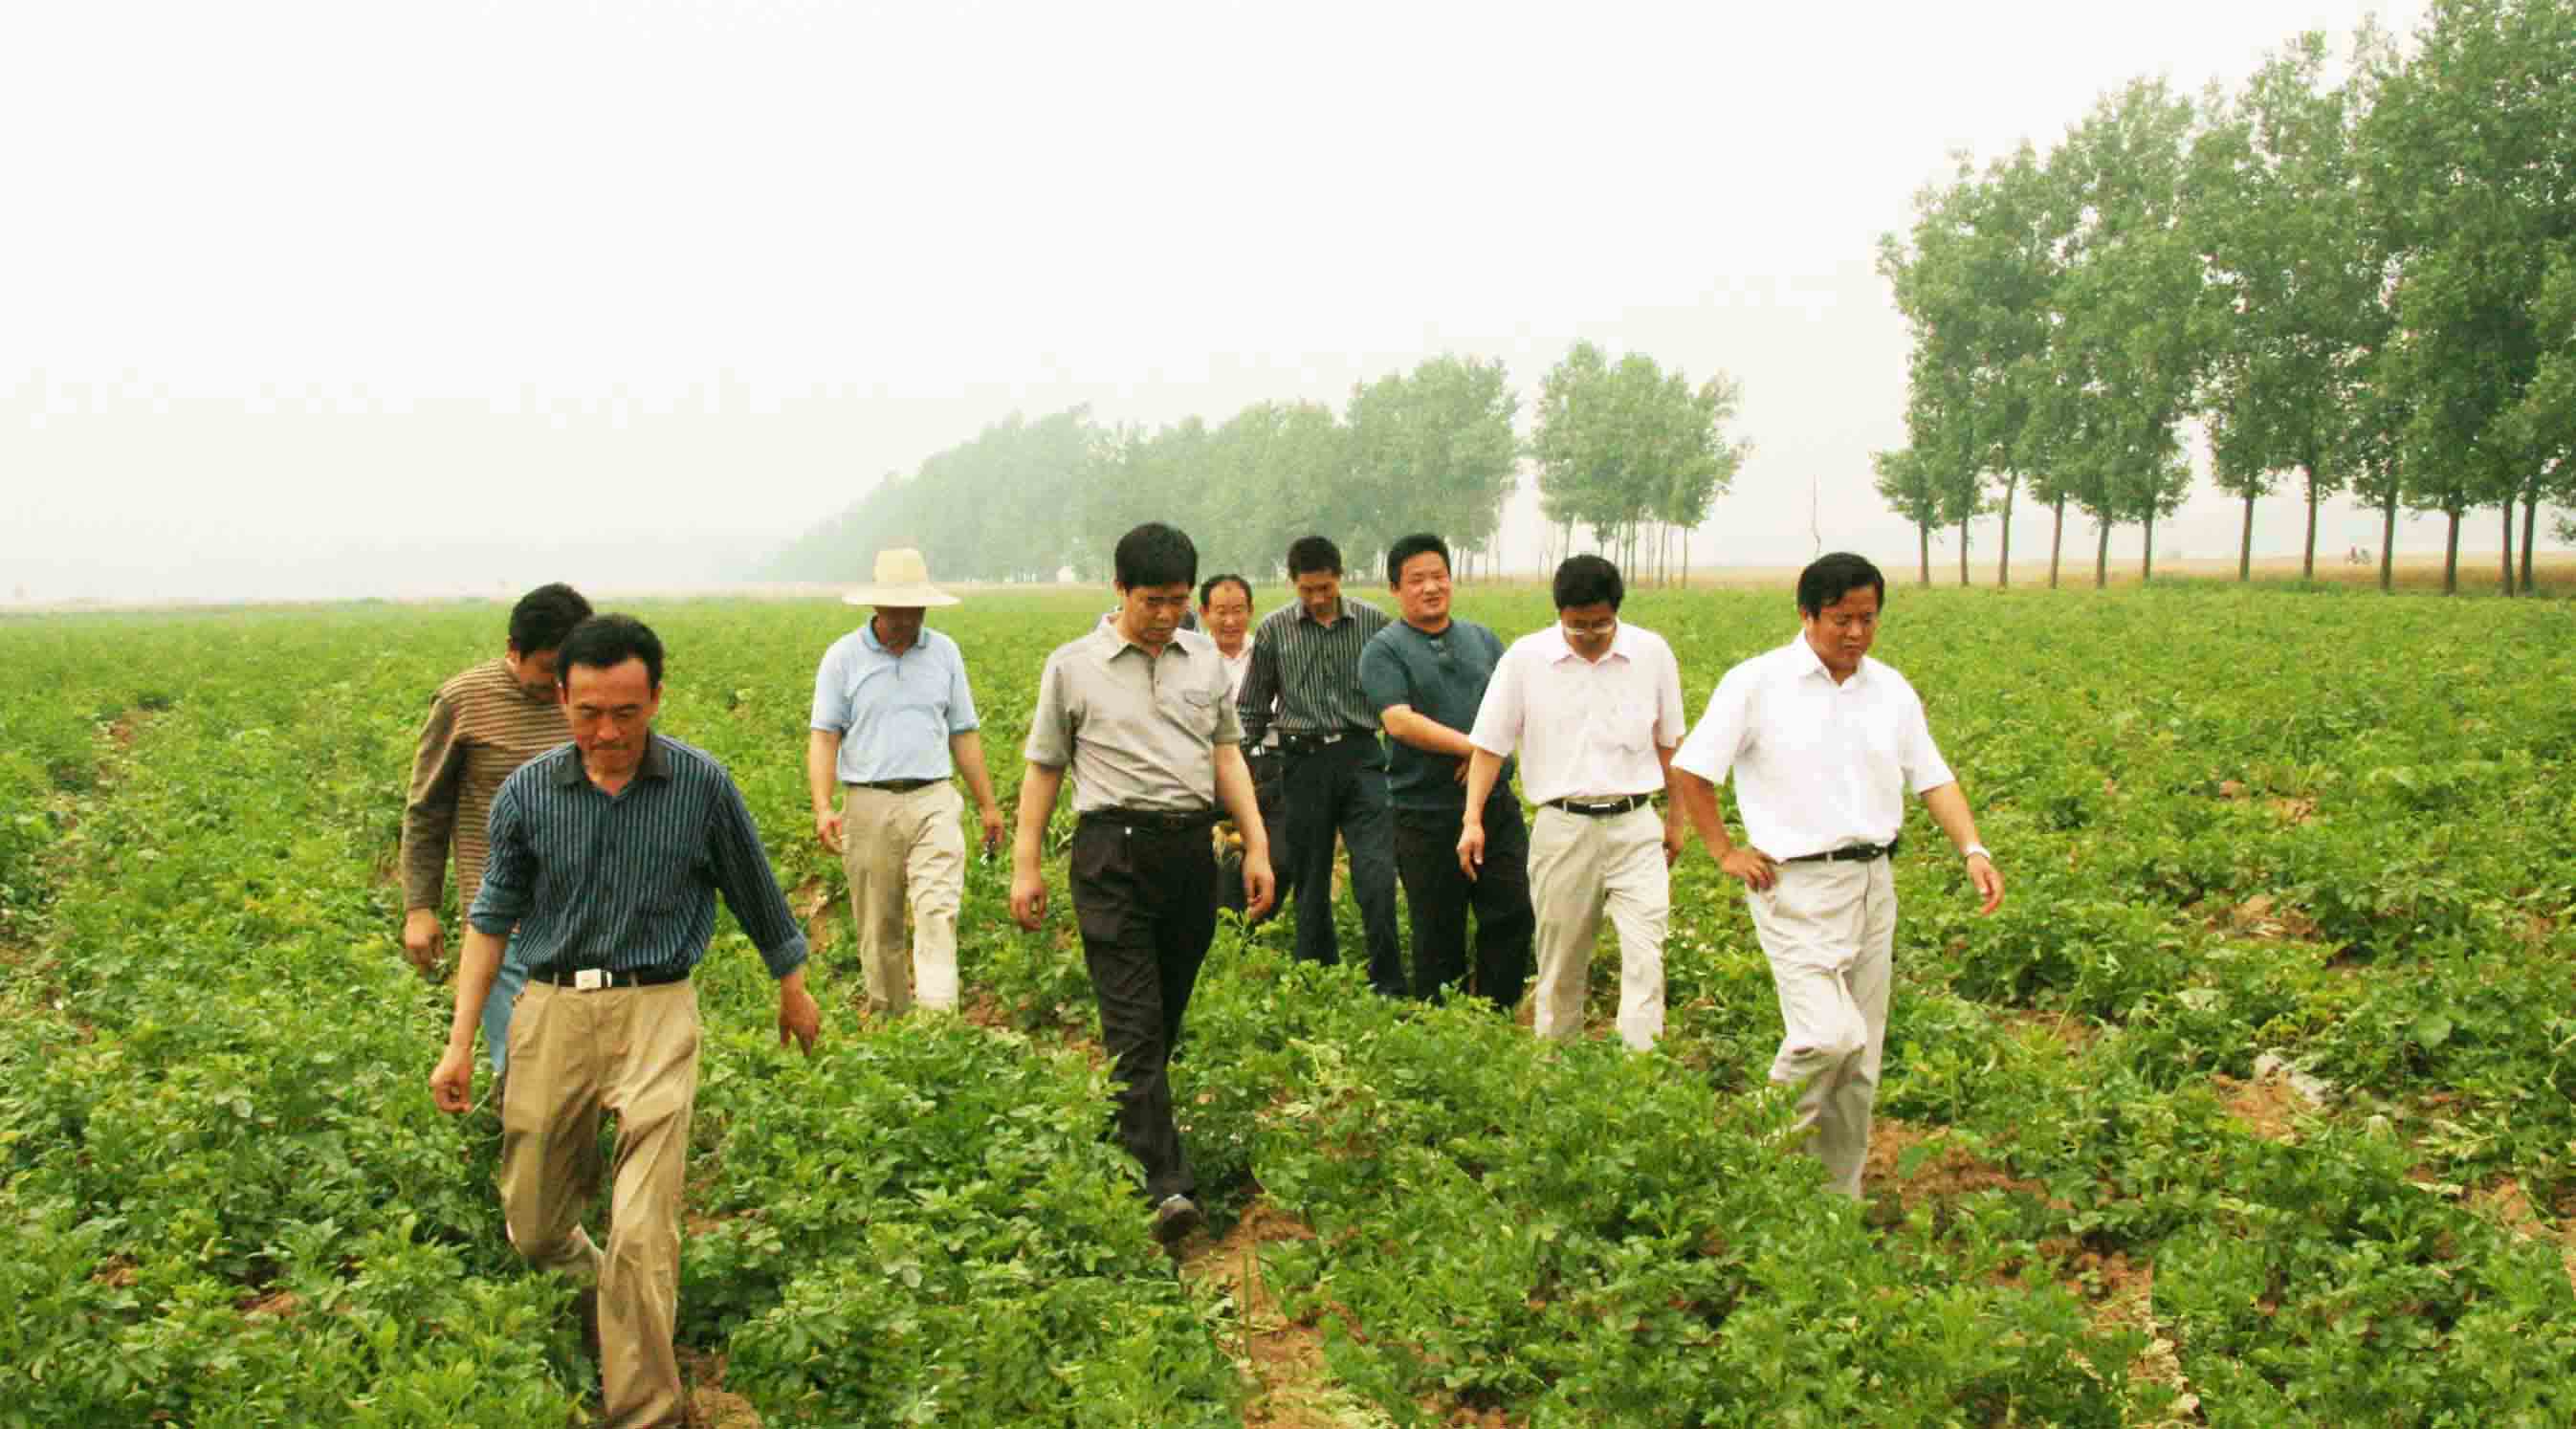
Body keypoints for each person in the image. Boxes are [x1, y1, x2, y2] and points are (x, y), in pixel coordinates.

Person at [429, 613, 820, 1429]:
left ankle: (645, 1408)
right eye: (588, 713)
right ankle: (613, 1309)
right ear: (561, 700)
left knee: (643, 1228)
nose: (607, 733)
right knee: (535, 1226)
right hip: (552, 1010)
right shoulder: (528, 792)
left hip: (656, 1008)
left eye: (626, 713)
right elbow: (489, 921)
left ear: (657, 699)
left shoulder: (700, 786)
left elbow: (754, 888)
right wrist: (459, 1043)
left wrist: (793, 984)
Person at [1672, 552, 2003, 1200]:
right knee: (1829, 1036)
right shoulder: (1757, 683)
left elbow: (1932, 778)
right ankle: (1747, 1160)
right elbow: (1692, 769)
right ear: (1806, 615)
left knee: (1860, 1062)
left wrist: (1973, 848)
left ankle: (1834, 1206)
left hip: (1873, 880)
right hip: (1795, 886)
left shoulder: (1890, 690)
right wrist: (1723, 851)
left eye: (1867, 619)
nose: (1855, 633)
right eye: (1840, 619)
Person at [1012, 522, 1275, 1244]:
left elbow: (1226, 756)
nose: (1165, 615)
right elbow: (1044, 768)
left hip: (1189, 852)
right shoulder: (1073, 667)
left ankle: (1125, 1132)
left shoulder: (1204, 662)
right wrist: (1026, 864)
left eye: (1177, 601)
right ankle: (1167, 1188)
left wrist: (1255, 844)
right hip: (1111, 854)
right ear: (1119, 590)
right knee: (1133, 1020)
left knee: (1162, 1013)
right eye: (1151, 601)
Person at [1459, 555, 1685, 1050]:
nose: (1589, 635)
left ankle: (1640, 1066)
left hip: (1635, 824)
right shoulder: (1525, 659)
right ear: (1559, 613)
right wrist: (1472, 818)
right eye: (1577, 625)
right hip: (1562, 828)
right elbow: (1490, 746)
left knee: (1646, 954)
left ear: (1616, 611)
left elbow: (1670, 744)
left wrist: (1676, 819)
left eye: (1600, 623)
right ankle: (1557, 1064)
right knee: (1561, 960)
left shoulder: (1651, 654)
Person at [400, 582, 592, 1069]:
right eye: (548, 668)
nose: (559, 685)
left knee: (588, 1071)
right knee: (525, 1067)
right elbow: (427, 810)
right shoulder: (463, 701)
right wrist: (419, 908)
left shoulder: (593, 703)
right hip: (503, 925)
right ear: (513, 648)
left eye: (569, 669)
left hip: (588, 918)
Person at [807, 548, 1005, 1017]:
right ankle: (892, 1023)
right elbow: (824, 736)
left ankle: (938, 1023)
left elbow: (963, 733)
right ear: (877, 606)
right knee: (879, 926)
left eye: (914, 609)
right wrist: (823, 806)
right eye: (896, 610)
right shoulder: (843, 658)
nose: (906, 620)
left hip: (934, 797)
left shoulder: (944, 653)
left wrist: (988, 805)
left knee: (938, 910)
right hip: (868, 802)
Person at [1358, 533, 1532, 1007]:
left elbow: (1514, 706)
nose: (1431, 588)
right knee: (1437, 926)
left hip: (1494, 806)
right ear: (1395, 589)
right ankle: (1442, 1023)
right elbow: (1398, 720)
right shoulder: (1384, 650)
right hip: (1425, 812)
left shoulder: (1482, 640)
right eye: (1417, 580)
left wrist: (1486, 759)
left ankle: (1497, 1013)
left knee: (1512, 910)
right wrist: (1477, 748)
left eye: (1439, 576)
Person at [1236, 535, 1403, 995]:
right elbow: (1252, 706)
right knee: (1310, 875)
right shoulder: (1274, 630)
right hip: (1302, 761)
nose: (1317, 598)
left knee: (1376, 872)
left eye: (1325, 588)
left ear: (1340, 577)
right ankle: (1316, 975)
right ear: (1293, 582)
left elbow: (1399, 696)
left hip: (1362, 757)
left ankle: (1388, 981)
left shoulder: (1374, 623)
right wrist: (1239, 768)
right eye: (1307, 589)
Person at [1200, 572, 1290, 921]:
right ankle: (1230, 933)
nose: (1230, 621)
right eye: (1221, 611)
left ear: (1251, 610)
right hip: (1213, 770)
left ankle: (1254, 928)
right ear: (1204, 612)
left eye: (1238, 610)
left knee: (1280, 858)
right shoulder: (1192, 659)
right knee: (1225, 859)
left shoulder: (1268, 655)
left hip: (1268, 767)